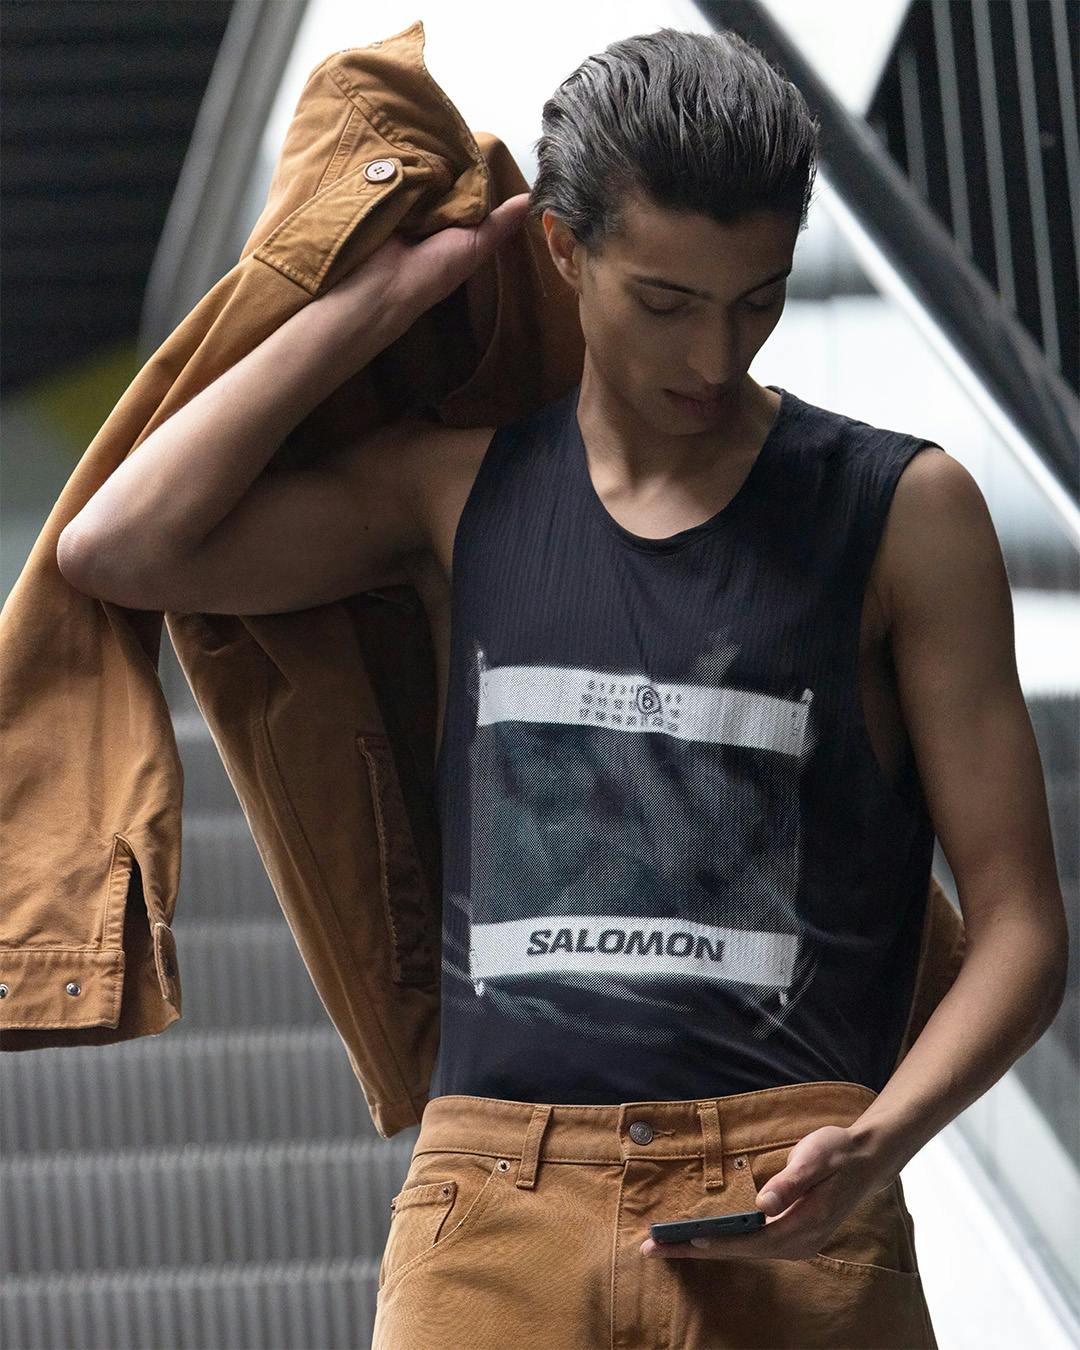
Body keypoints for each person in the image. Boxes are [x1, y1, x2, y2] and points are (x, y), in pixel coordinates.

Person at [59, 26, 1067, 1350]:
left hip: (788, 1196)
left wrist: (881, 1140)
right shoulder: (457, 492)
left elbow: (1022, 928)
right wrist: (377, 304)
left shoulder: (905, 511)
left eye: (757, 299)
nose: (714, 356)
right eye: (667, 301)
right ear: (561, 250)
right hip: (493, 1211)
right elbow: (119, 546)